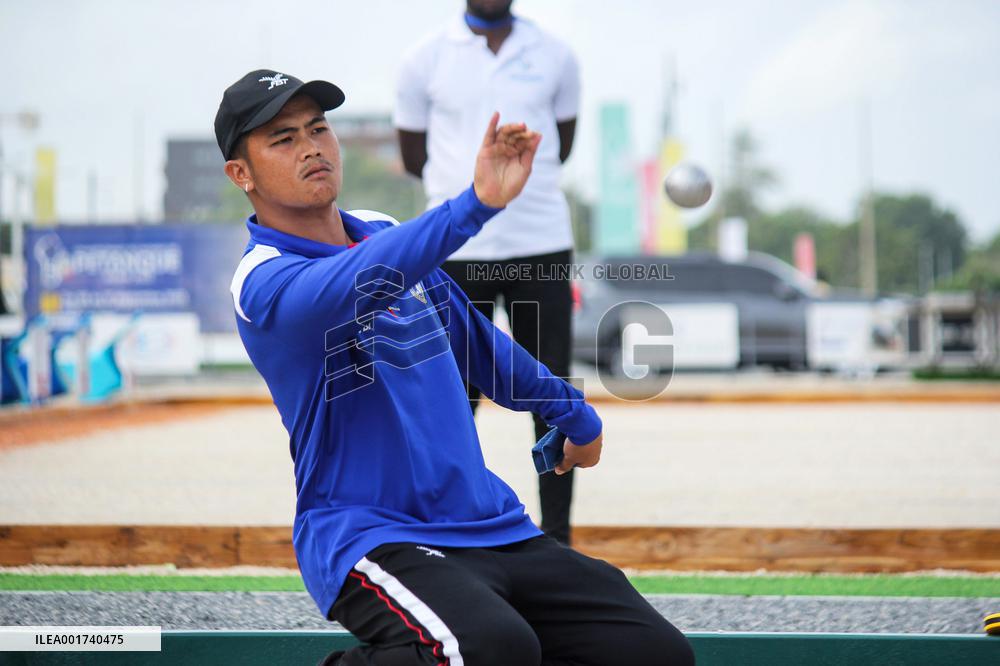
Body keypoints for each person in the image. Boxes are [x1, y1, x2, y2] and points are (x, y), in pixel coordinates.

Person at [217, 69, 693, 666]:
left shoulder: (382, 232)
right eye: (282, 139)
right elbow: (355, 282)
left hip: (491, 524)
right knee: (490, 651)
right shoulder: (261, 280)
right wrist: (473, 206)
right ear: (242, 174)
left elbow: (476, 344)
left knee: (651, 653)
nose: (312, 147)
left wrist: (575, 414)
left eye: (319, 128)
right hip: (373, 537)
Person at [395, 0, 581, 546]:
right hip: (456, 247)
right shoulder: (422, 59)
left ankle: (558, 537)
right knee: (449, 398)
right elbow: (414, 158)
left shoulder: (556, 54)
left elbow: (561, 148)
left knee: (553, 395)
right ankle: (445, 532)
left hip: (541, 244)